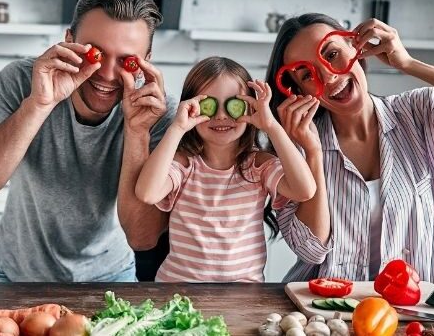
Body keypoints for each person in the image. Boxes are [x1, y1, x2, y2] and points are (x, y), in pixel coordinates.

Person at [265, 13, 434, 283]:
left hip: (415, 306)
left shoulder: (419, 115)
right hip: (324, 311)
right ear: (299, 91)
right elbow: (311, 251)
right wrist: (313, 153)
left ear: (356, 47)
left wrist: (408, 64)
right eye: (308, 74)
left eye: (331, 55)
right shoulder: (295, 148)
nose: (328, 77)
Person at [0, 0, 176, 282]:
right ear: (68, 40)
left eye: (127, 62)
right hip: (19, 278)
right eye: (95, 54)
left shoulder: (156, 111)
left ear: (146, 61)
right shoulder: (20, 81)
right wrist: (38, 104)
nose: (106, 74)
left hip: (111, 278)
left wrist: (137, 133)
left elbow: (143, 238)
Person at [135, 56, 317, 282]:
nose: (221, 115)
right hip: (177, 290)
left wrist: (271, 126)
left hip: (242, 295)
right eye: (208, 105)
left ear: (250, 108)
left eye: (233, 105)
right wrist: (177, 127)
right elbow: (147, 193)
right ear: (190, 107)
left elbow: (305, 190)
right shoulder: (185, 164)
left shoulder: (258, 165)